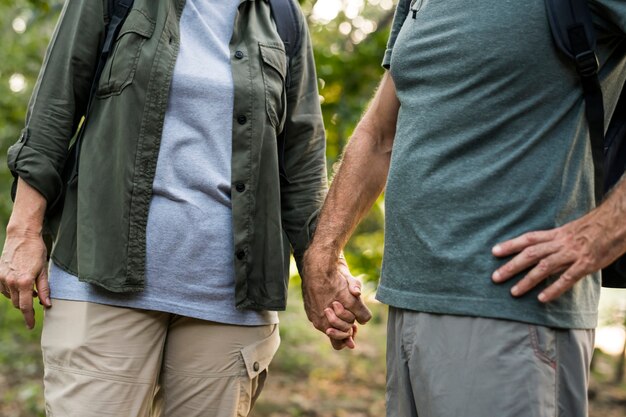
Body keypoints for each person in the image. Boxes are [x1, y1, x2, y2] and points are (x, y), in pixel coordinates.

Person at [0, 0, 370, 416]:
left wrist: (325, 269)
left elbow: (301, 164)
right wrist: (23, 232)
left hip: (229, 306)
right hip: (100, 283)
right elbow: (54, 108)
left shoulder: (280, 17)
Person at [302, 0, 626, 416]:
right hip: (408, 306)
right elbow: (380, 133)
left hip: (513, 311)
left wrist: (603, 231)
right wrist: (323, 251)